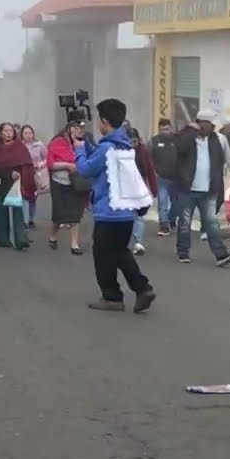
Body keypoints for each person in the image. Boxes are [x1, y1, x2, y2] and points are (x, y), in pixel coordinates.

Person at [75, 99, 157, 313]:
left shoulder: (107, 148)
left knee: (103, 256)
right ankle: (142, 288)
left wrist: (78, 149)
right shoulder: (124, 144)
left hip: (108, 212)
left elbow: (85, 169)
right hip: (126, 213)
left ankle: (112, 297)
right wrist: (88, 144)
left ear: (104, 121)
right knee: (120, 252)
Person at [173, 110, 230, 267]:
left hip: (209, 189)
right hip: (187, 188)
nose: (211, 127)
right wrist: (190, 131)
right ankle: (183, 252)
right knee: (185, 222)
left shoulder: (219, 139)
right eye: (208, 124)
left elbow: (228, 156)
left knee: (211, 223)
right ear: (200, 123)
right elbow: (179, 148)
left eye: (213, 125)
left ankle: (221, 254)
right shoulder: (188, 138)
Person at [0, 122, 36, 250]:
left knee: (18, 212)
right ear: (0, 133)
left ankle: (21, 239)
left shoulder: (20, 147)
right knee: (0, 212)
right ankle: (3, 239)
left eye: (11, 131)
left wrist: (23, 176)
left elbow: (27, 163)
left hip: (16, 184)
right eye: (5, 131)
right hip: (0, 182)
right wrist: (9, 173)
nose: (8, 133)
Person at [45, 119, 88, 255]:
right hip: (60, 182)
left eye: (81, 128)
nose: (78, 131)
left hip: (76, 183)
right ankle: (53, 235)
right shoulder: (57, 142)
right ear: (68, 129)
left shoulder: (84, 143)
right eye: (75, 128)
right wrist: (67, 165)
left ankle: (74, 244)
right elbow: (51, 164)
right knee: (59, 215)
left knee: (76, 215)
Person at [126, 126, 159, 256]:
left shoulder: (143, 151)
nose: (133, 144)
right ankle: (124, 241)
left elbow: (150, 170)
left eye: (135, 141)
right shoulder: (120, 151)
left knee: (139, 216)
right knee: (127, 216)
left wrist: (153, 188)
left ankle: (138, 242)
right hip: (124, 188)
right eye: (130, 141)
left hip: (140, 187)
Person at [149, 119, 181, 237]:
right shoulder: (154, 141)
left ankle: (171, 219)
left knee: (177, 204)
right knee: (162, 202)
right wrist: (153, 172)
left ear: (171, 128)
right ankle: (163, 225)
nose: (165, 132)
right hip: (161, 178)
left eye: (167, 129)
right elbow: (149, 158)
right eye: (162, 130)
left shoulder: (177, 140)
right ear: (159, 129)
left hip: (176, 178)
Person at [21, 124, 48, 229]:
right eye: (25, 133)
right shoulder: (20, 146)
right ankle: (25, 220)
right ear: (22, 135)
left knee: (33, 196)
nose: (28, 135)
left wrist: (39, 165)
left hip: (37, 174)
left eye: (30, 133)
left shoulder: (39, 145)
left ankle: (31, 218)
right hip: (24, 173)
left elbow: (46, 158)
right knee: (24, 196)